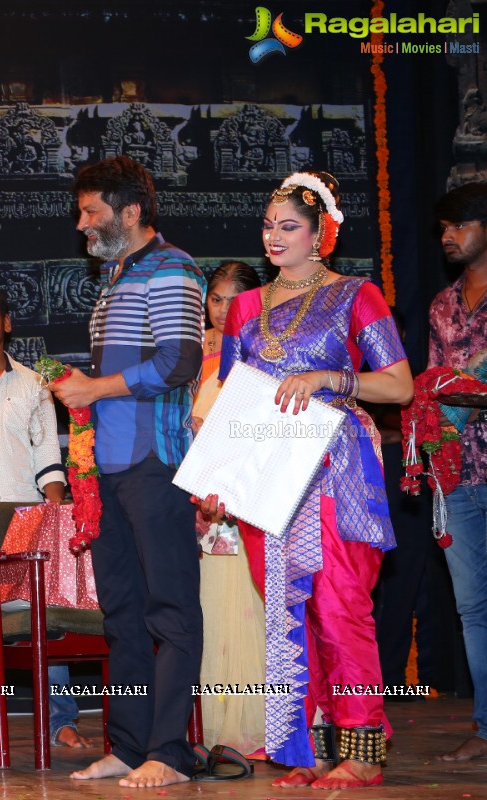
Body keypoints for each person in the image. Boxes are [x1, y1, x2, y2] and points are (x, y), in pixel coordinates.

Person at [201, 171, 413, 789]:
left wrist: (329, 380)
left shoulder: (356, 295)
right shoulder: (245, 306)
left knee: (340, 605)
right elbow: (233, 398)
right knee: (287, 613)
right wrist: (218, 480)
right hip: (267, 473)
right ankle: (315, 750)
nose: (274, 236)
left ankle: (364, 749)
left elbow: (398, 385)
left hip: (333, 467)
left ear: (322, 233)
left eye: (288, 226)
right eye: (268, 225)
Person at [49, 155, 205, 788]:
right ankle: (130, 743)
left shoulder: (171, 269)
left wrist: (96, 387)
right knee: (122, 613)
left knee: (170, 611)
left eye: (93, 212)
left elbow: (180, 363)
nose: (83, 224)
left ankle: (170, 751)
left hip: (155, 463)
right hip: (108, 469)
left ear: (131, 212)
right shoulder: (118, 276)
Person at [0, 287, 85, 749]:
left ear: (7, 323)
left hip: (23, 529)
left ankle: (60, 721)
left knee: (40, 626)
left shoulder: (34, 384)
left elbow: (49, 458)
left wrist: (53, 518)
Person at [191, 262, 268, 757]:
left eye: (231, 301)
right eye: (215, 299)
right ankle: (218, 730)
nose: (222, 310)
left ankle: (257, 727)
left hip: (247, 501)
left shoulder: (261, 354)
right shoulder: (194, 354)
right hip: (201, 503)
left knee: (250, 611)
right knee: (214, 612)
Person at [429, 181, 487, 762]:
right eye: (443, 228)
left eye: (460, 225)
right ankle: (486, 727)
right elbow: (432, 387)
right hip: (457, 476)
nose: (448, 236)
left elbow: (458, 390)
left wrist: (465, 393)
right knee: (472, 607)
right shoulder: (441, 306)